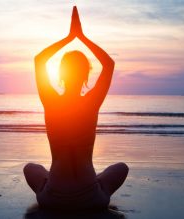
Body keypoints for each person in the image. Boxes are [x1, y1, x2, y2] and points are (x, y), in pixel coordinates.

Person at [24, 6, 128, 211]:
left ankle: (50, 185)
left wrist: (69, 37)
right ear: (86, 76)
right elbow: (108, 64)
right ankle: (96, 184)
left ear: (61, 75)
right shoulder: (92, 102)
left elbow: (39, 60)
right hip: (91, 199)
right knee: (121, 168)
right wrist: (82, 37)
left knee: (31, 168)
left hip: (52, 199)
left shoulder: (51, 101)